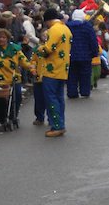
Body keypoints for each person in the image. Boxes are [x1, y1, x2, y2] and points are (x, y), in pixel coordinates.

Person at [35, 8, 73, 137]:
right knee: (59, 98)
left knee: (51, 98)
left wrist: (39, 48)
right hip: (63, 68)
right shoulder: (66, 29)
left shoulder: (53, 30)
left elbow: (47, 50)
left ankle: (57, 126)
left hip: (52, 69)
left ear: (47, 20)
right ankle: (60, 124)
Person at [66, 9, 98, 99]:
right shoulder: (87, 26)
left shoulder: (67, 26)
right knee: (85, 75)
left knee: (72, 75)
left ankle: (72, 92)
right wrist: (94, 52)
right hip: (85, 55)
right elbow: (93, 41)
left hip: (71, 55)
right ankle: (84, 91)